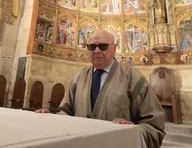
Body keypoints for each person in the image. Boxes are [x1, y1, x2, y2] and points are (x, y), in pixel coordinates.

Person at [36, 29, 165, 148]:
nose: (97, 51)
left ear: (114, 49)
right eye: (92, 47)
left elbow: (153, 126)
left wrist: (132, 132)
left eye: (103, 46)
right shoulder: (78, 78)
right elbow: (66, 113)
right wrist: (51, 119)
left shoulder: (132, 77)